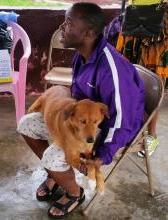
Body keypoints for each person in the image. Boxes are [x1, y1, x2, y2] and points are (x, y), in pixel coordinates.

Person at [17, 2, 145, 219]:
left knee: (52, 156)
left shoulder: (112, 70)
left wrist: (103, 155)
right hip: (82, 121)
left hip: (107, 129)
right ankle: (56, 175)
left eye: (68, 23)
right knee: (26, 124)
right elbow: (76, 94)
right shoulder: (81, 55)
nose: (62, 28)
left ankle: (74, 193)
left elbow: (124, 121)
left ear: (87, 33)